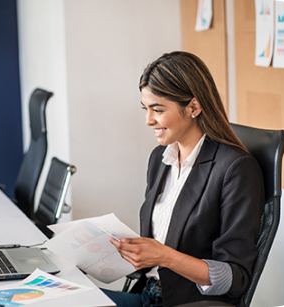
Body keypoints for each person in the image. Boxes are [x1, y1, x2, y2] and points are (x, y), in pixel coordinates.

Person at [102, 51, 264, 307]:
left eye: (158, 109)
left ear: (193, 107)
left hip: (183, 301)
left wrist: (164, 256)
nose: (148, 120)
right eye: (145, 109)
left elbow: (235, 278)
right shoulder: (160, 159)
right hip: (146, 293)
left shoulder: (236, 168)